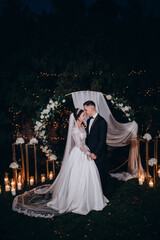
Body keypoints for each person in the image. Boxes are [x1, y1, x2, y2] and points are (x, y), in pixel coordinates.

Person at [12, 109, 109, 218]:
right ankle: (76, 199)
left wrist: (88, 150)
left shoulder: (82, 126)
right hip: (80, 153)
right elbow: (79, 144)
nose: (84, 117)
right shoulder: (74, 129)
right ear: (77, 117)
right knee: (76, 176)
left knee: (89, 175)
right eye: (82, 115)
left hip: (85, 150)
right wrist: (88, 153)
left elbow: (85, 141)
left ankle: (91, 198)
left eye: (84, 115)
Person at [83, 100, 108, 194]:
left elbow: (102, 140)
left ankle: (102, 194)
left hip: (99, 153)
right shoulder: (89, 120)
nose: (85, 112)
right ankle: (93, 194)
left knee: (100, 174)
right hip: (89, 152)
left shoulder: (102, 122)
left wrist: (95, 153)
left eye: (86, 109)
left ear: (92, 108)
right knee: (92, 175)